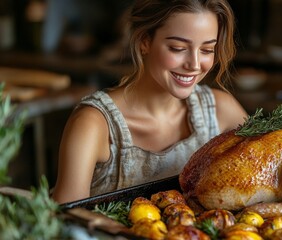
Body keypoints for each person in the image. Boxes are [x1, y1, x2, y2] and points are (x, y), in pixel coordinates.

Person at [52, 0, 248, 203]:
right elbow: (64, 223)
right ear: (144, 42)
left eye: (207, 50)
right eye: (178, 48)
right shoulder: (93, 124)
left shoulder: (220, 111)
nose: (195, 65)